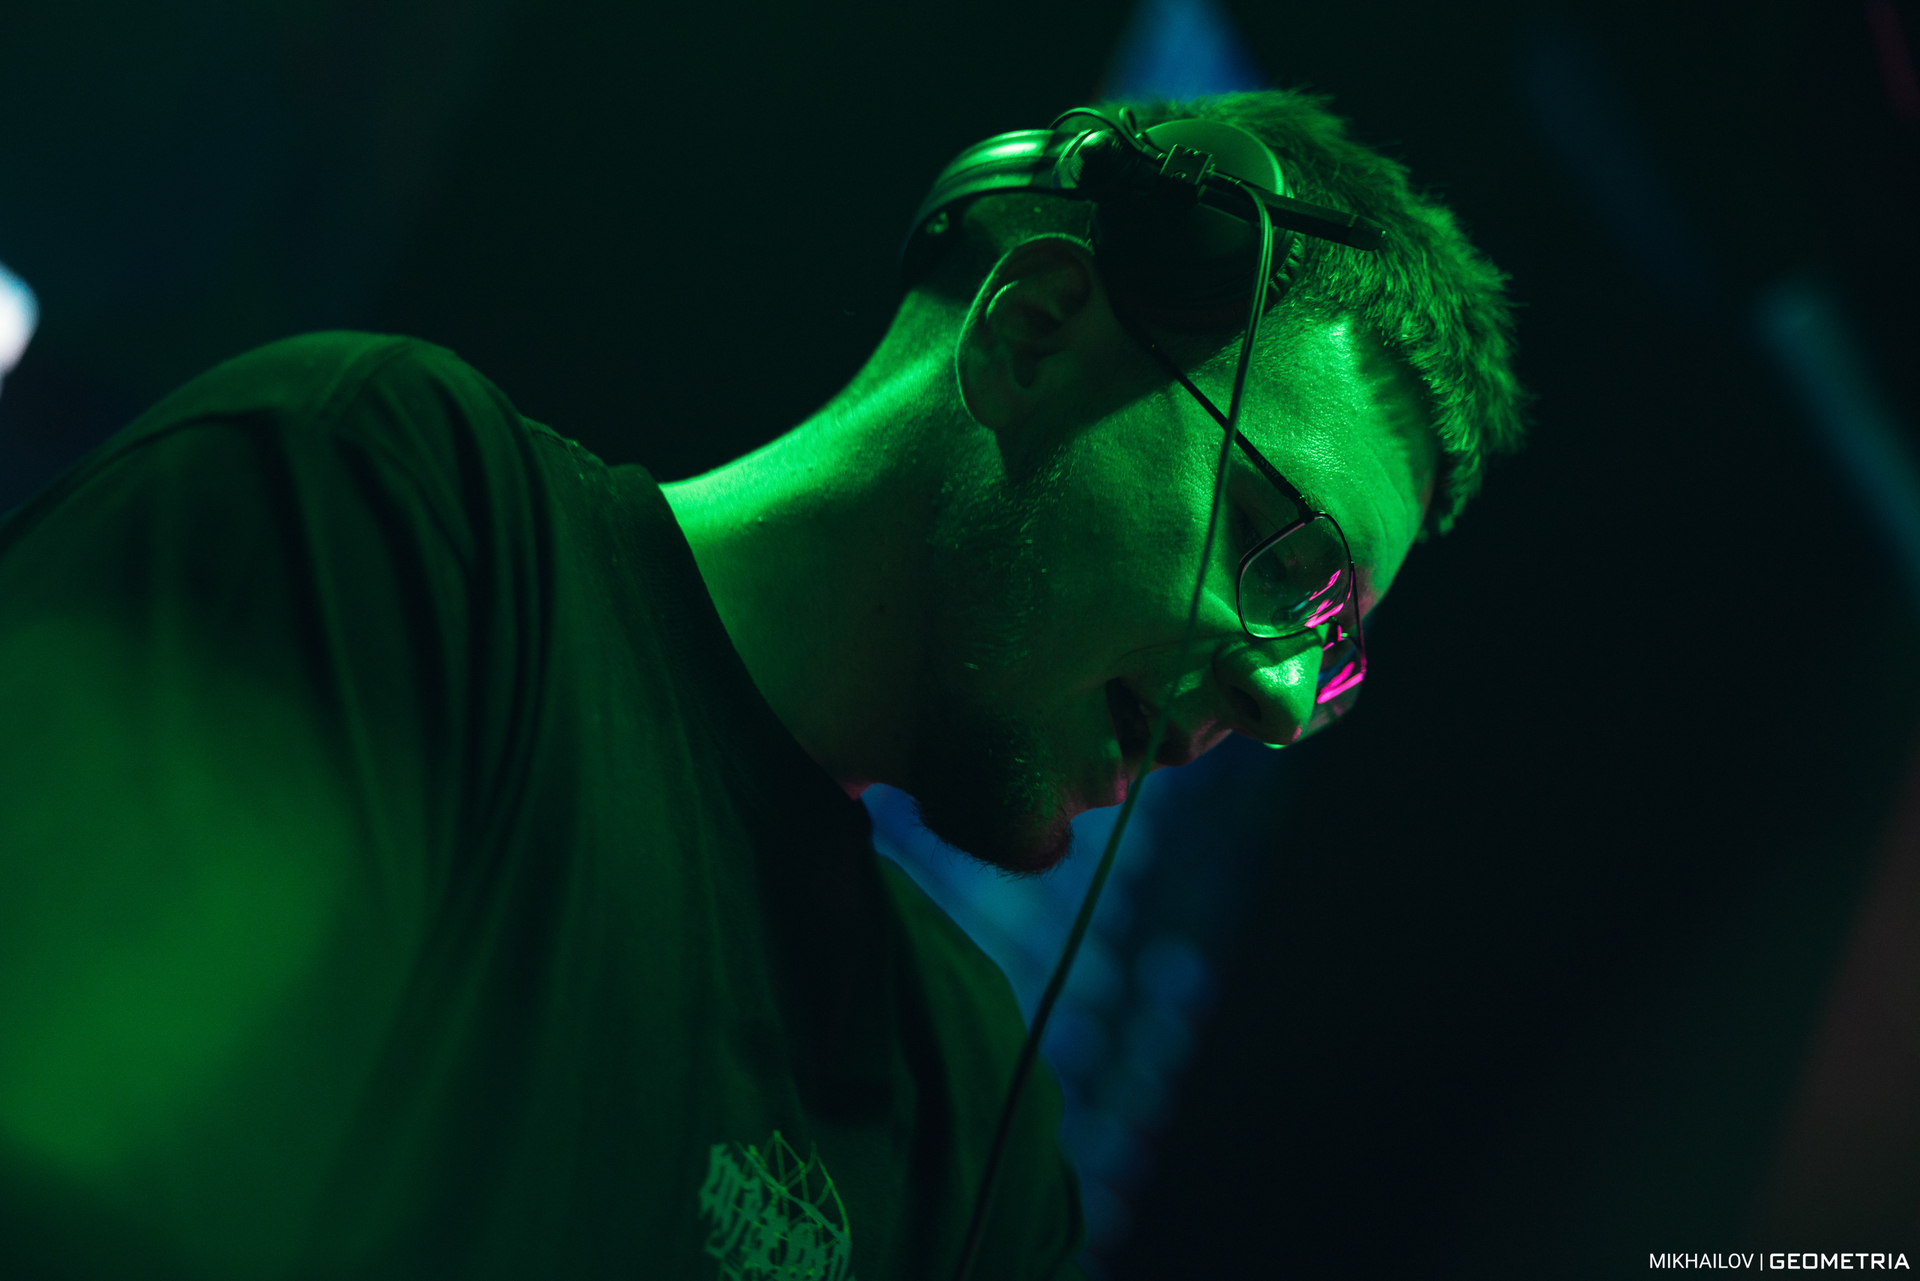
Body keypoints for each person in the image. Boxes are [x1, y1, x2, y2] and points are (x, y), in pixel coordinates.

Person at [0, 89, 1524, 1280]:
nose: (1281, 698)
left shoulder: (971, 1127)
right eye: (1276, 552)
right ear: (1033, 331)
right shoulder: (391, 515)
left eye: (1334, 642)